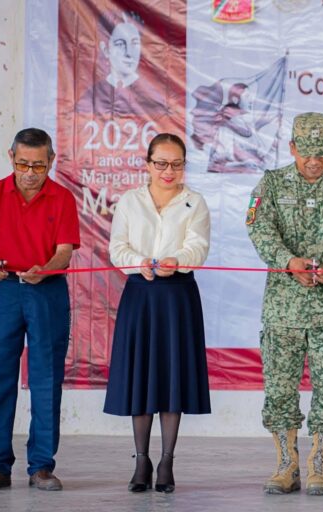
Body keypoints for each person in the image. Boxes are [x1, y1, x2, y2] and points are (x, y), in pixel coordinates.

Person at [246, 112, 323, 496]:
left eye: (321, 153)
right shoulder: (271, 183)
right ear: (292, 148)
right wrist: (287, 261)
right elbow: (258, 226)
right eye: (306, 153)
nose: (313, 161)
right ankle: (286, 464)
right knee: (279, 387)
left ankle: (319, 465)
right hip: (284, 308)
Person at [0, 128, 80, 491]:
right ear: (11, 157)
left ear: (51, 161)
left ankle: (42, 467)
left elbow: (64, 252)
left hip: (46, 291)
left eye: (38, 165)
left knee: (46, 378)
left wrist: (46, 268)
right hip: (2, 291)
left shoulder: (62, 199)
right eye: (22, 164)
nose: (30, 172)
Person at [103, 133, 211, 493]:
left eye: (177, 164)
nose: (169, 171)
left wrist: (176, 261)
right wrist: (139, 263)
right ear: (147, 164)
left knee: (171, 376)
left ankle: (166, 461)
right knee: (141, 376)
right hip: (140, 295)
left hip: (177, 296)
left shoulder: (194, 202)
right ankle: (141, 460)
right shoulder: (130, 202)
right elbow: (118, 248)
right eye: (161, 163)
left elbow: (198, 246)